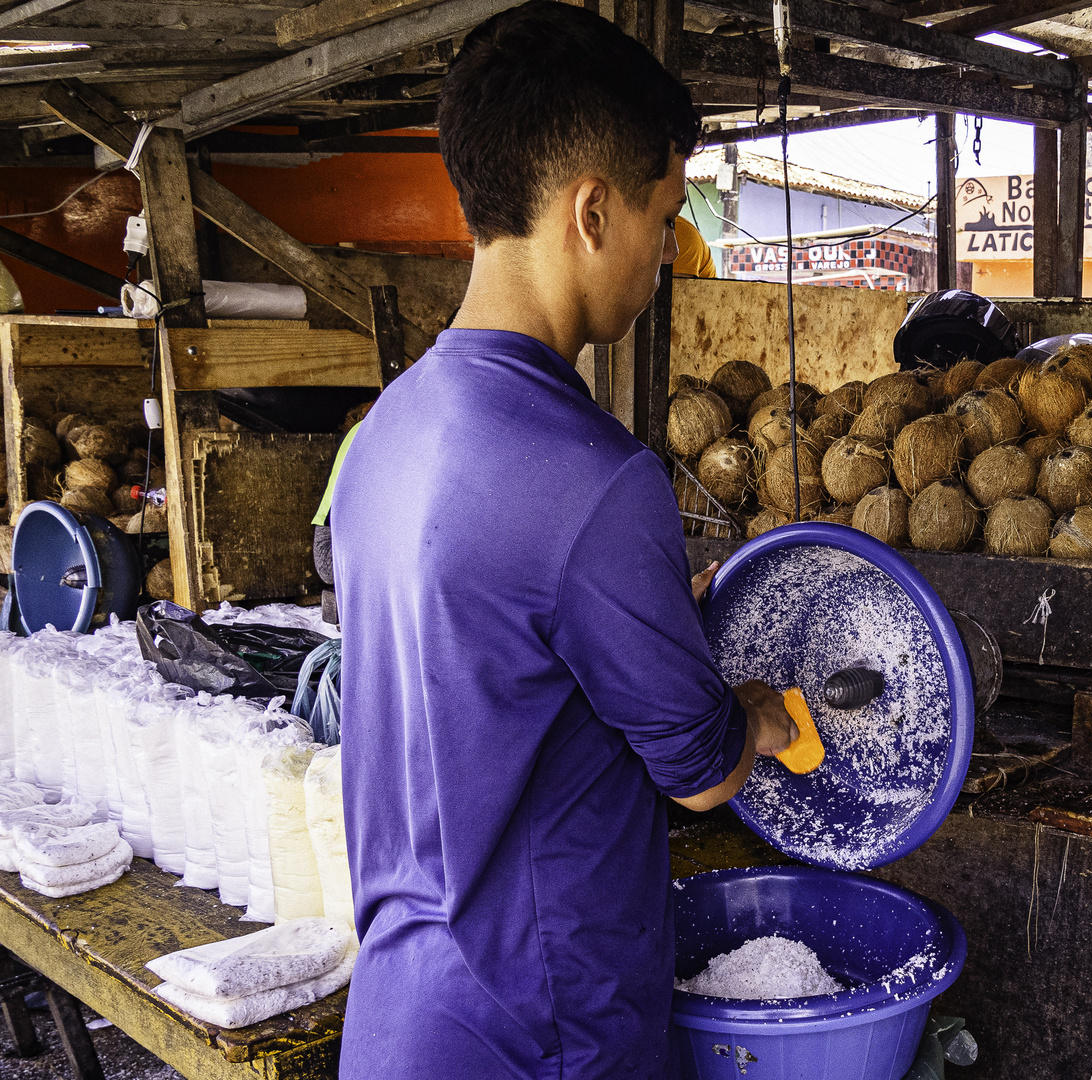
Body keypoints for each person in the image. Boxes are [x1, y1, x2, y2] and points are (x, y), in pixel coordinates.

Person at [329, 5, 797, 1078]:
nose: (665, 257)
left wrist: (635, 610)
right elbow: (701, 771)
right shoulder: (597, 479)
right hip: (540, 1034)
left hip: (404, 1014)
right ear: (592, 211)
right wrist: (760, 717)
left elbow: (486, 659)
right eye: (664, 214)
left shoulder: (385, 432)